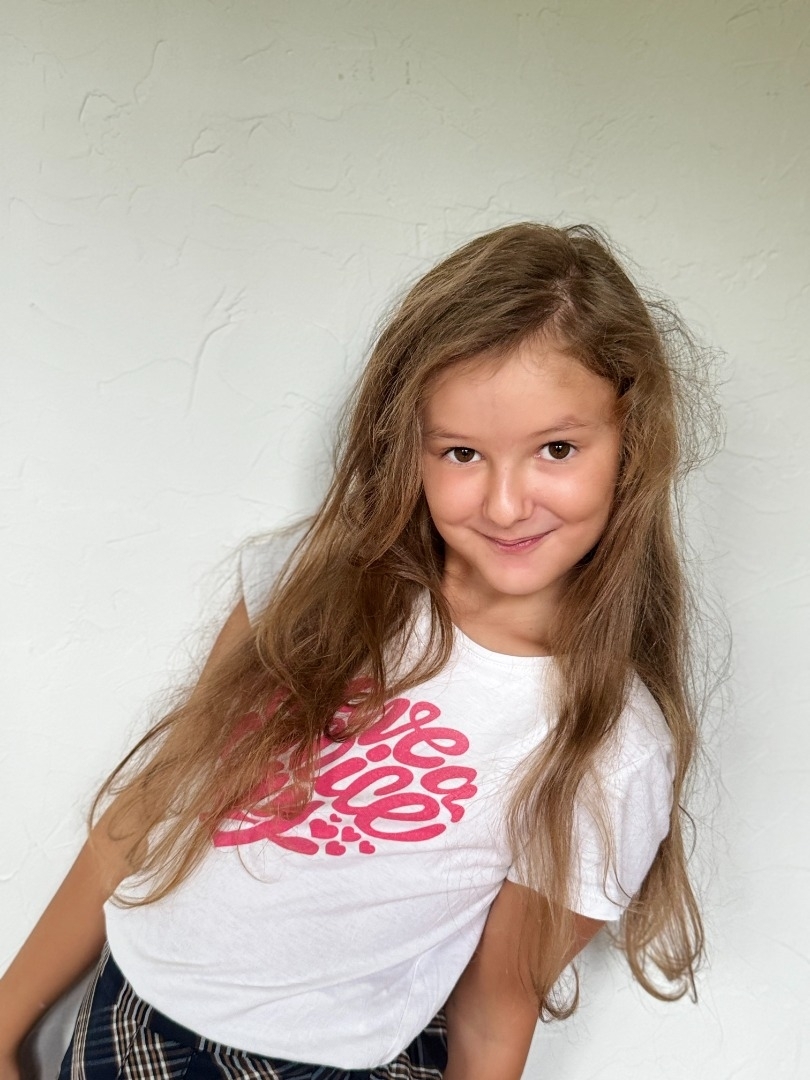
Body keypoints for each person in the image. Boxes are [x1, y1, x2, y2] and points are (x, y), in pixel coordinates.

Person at [0, 222, 715, 1080]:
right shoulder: (311, 587)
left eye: (556, 449)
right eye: (461, 453)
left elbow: (494, 1013)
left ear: (632, 442)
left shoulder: (611, 745)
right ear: (407, 445)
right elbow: (156, 799)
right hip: (131, 1015)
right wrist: (5, 1024)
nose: (505, 503)